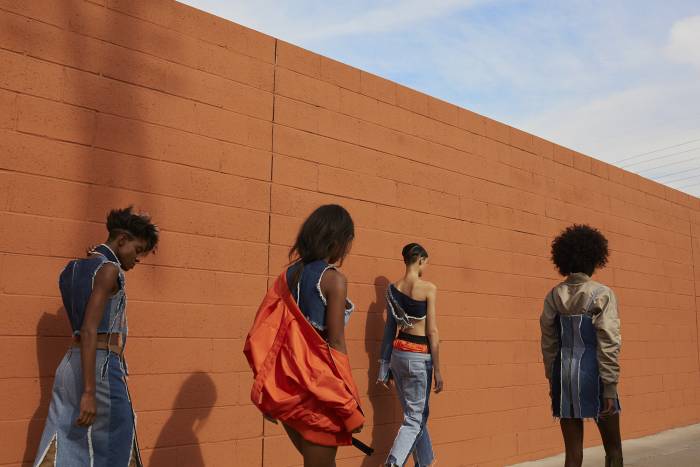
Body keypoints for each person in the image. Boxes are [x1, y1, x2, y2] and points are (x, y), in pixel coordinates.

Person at [33, 207, 159, 467]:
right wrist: (89, 391)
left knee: (64, 439)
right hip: (100, 368)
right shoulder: (110, 270)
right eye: (137, 250)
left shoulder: (72, 268)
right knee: (117, 443)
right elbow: (90, 329)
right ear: (122, 239)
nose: (138, 259)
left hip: (70, 366)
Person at [244, 204, 365, 467]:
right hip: (318, 394)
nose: (347, 249)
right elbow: (336, 343)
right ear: (336, 241)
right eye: (348, 241)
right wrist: (350, 402)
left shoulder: (287, 276)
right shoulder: (334, 280)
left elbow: (263, 330)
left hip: (286, 391)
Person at [540, 224, 623, 467]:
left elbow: (548, 343)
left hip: (563, 376)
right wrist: (610, 386)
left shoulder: (553, 295)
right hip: (595, 375)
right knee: (614, 450)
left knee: (573, 455)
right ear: (595, 258)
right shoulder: (602, 294)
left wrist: (552, 380)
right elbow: (609, 341)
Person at [378, 243, 443, 467]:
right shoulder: (428, 289)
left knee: (414, 415)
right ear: (420, 260)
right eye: (426, 263)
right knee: (415, 420)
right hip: (419, 358)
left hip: (398, 355)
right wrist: (438, 370)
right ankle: (393, 463)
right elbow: (432, 331)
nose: (426, 267)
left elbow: (389, 330)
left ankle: (425, 462)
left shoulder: (391, 290)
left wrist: (383, 369)